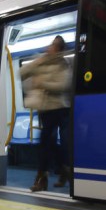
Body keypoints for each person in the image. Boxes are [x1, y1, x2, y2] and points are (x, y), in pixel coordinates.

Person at [19, 35, 72, 192]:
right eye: (51, 45)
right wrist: (38, 61)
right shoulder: (42, 61)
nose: (50, 48)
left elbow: (62, 85)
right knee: (48, 143)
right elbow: (21, 73)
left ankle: (43, 179)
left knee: (48, 143)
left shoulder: (63, 64)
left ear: (59, 49)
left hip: (59, 109)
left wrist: (42, 83)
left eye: (54, 46)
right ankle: (64, 169)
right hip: (44, 109)